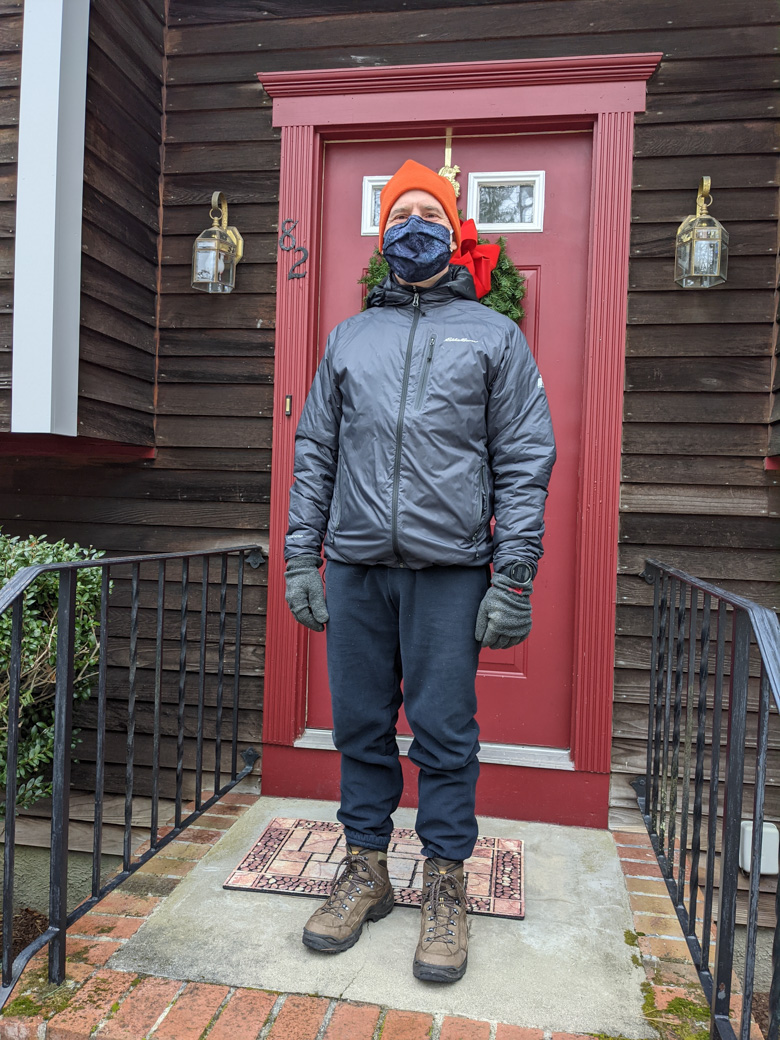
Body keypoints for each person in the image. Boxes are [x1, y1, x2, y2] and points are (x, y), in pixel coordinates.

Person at [283, 159, 556, 982]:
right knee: (361, 726)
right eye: (397, 214)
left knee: (443, 733)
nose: (410, 225)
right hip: (359, 567)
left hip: (451, 572)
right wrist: (304, 553)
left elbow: (525, 456)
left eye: (424, 214)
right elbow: (315, 452)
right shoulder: (349, 338)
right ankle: (366, 870)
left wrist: (514, 574)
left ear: (450, 231)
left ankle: (444, 883)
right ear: (383, 235)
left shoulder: (494, 336)